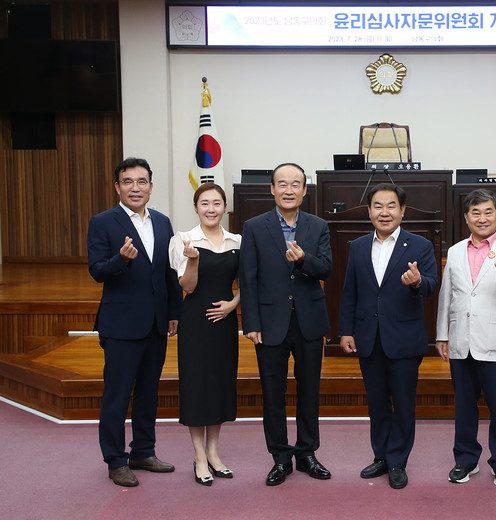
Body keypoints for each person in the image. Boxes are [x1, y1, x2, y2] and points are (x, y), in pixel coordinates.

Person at [87, 157, 183, 487]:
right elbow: (97, 270)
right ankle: (115, 460)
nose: (135, 188)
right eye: (128, 182)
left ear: (151, 187)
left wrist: (174, 312)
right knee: (117, 395)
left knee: (148, 392)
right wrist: (120, 260)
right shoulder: (103, 222)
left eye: (142, 181)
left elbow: (169, 271)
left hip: (156, 322)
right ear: (118, 187)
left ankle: (143, 451)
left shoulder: (163, 222)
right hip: (121, 325)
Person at [238, 163, 333, 486]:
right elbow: (248, 278)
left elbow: (326, 269)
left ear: (305, 190)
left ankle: (307, 453)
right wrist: (250, 322)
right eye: (282, 184)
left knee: (310, 391)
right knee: (272, 393)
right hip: (269, 323)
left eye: (295, 184)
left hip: (309, 322)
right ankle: (280, 457)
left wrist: (304, 259)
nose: (288, 190)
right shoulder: (254, 227)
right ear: (272, 189)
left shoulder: (318, 226)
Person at [339, 183, 438, 490]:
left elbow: (431, 285)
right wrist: (346, 330)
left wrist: (417, 281)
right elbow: (350, 291)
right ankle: (381, 456)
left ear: (402, 210)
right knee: (377, 402)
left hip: (404, 338)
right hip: (368, 336)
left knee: (404, 404)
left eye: (391, 206)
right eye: (378, 206)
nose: (385, 212)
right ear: (369, 211)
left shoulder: (420, 245)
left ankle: (397, 461)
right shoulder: (358, 246)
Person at [435, 189, 496, 488]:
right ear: (466, 218)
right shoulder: (455, 251)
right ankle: (465, 459)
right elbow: (447, 295)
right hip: (461, 340)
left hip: (495, 342)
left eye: (488, 212)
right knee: (464, 405)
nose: (482, 218)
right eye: (475, 213)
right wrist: (442, 334)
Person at [168, 183, 241, 486]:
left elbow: (248, 283)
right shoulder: (183, 239)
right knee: (197, 386)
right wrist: (194, 259)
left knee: (220, 385)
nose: (211, 209)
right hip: (196, 322)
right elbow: (187, 287)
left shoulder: (237, 240)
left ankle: (213, 453)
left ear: (224, 207)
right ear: (196, 207)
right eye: (205, 203)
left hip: (225, 323)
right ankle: (199, 456)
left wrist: (232, 305)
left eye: (216, 203)